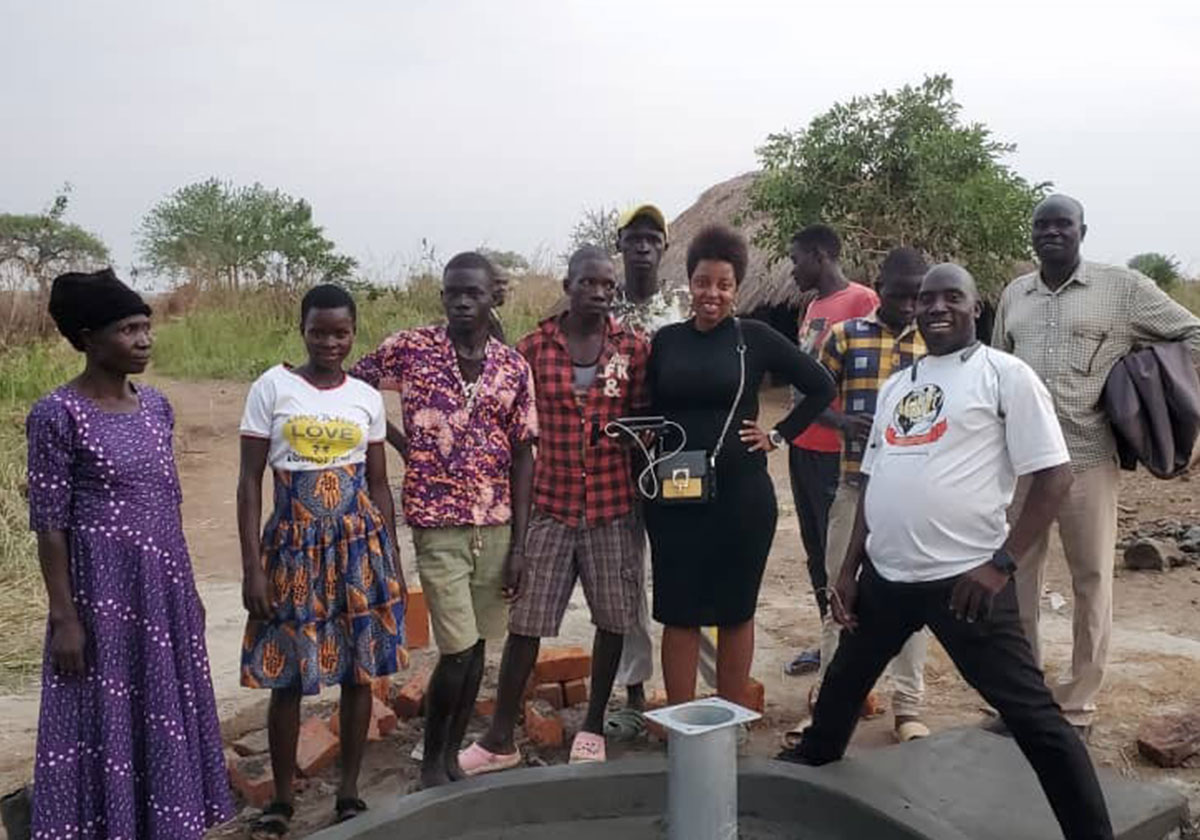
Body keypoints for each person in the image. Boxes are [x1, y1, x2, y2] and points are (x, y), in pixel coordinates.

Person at [782, 263, 1114, 840]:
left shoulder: (1004, 375)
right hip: (886, 577)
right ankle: (807, 774)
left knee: (1033, 718)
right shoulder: (899, 386)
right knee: (842, 684)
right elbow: (873, 478)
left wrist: (1001, 564)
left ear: (974, 308)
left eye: (951, 297)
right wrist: (849, 568)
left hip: (966, 581)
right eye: (927, 299)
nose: (936, 307)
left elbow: (1055, 477)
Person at [26, 269, 233, 839]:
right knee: (105, 718)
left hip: (161, 586)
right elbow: (49, 525)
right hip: (101, 595)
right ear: (88, 338)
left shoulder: (158, 407)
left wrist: (186, 591)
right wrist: (64, 617)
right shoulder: (57, 414)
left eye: (146, 326)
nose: (144, 339)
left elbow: (167, 503)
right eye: (128, 329)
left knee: (162, 705)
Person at [993, 194, 1200, 732]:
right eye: (1042, 225)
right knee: (1016, 578)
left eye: (1063, 224)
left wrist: (1145, 380)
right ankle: (1024, 698)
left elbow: (1192, 333)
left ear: (1083, 230)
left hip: (1087, 460)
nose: (1052, 233)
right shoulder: (1016, 294)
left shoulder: (1123, 289)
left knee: (1091, 582)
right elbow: (996, 370)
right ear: (1032, 233)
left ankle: (1079, 704)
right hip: (1023, 466)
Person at [350, 252, 537, 788]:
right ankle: (433, 763)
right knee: (456, 647)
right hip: (437, 524)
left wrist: (520, 545)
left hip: (497, 527)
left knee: (478, 647)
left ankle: (451, 757)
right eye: (452, 292)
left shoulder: (511, 367)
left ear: (492, 298)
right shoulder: (411, 350)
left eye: (472, 293)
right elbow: (355, 386)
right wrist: (402, 442)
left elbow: (525, 453)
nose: (460, 301)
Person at [463, 246, 650, 773]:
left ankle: (592, 724)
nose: (599, 292)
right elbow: (512, 428)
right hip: (550, 505)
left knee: (613, 619)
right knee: (527, 622)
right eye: (588, 282)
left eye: (607, 285)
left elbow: (643, 415)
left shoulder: (632, 349)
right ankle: (500, 735)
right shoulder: (533, 348)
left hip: (614, 506)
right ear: (568, 284)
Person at [238, 284, 406, 834]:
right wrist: (252, 567)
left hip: (358, 546)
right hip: (293, 546)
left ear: (353, 333)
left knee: (358, 671)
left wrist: (392, 559)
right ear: (302, 329)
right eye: (318, 331)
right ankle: (283, 800)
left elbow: (380, 484)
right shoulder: (272, 387)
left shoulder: (364, 395)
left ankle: (350, 792)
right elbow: (248, 481)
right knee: (288, 673)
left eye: (340, 332)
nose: (329, 341)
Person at [645, 225, 835, 706]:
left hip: (741, 497)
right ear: (690, 282)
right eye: (704, 282)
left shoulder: (755, 337)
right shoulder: (666, 341)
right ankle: (680, 722)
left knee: (735, 610)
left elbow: (821, 387)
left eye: (723, 284)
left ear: (737, 287)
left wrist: (777, 435)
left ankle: (730, 720)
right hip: (676, 494)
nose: (712, 294)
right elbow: (648, 405)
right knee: (679, 610)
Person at [809, 247, 931, 742]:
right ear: (878, 287)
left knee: (915, 601)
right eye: (898, 295)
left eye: (915, 297)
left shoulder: (936, 345)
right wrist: (840, 420)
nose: (908, 305)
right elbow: (806, 400)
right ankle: (830, 697)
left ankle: (908, 707)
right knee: (840, 592)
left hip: (917, 497)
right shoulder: (845, 337)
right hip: (855, 484)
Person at [785, 224, 879, 678]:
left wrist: (841, 422)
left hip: (833, 451)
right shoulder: (814, 306)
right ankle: (829, 642)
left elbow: (877, 366)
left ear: (821, 255)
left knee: (838, 553)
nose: (792, 267)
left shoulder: (861, 301)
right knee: (813, 550)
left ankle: (849, 650)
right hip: (802, 445)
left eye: (796, 258)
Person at [609, 203, 687, 728]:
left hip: (678, 457)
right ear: (621, 246)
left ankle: (697, 688)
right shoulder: (600, 302)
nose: (642, 247)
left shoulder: (682, 302)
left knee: (683, 566)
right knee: (626, 575)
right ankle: (634, 688)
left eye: (651, 239)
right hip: (617, 460)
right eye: (633, 238)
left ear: (664, 247)